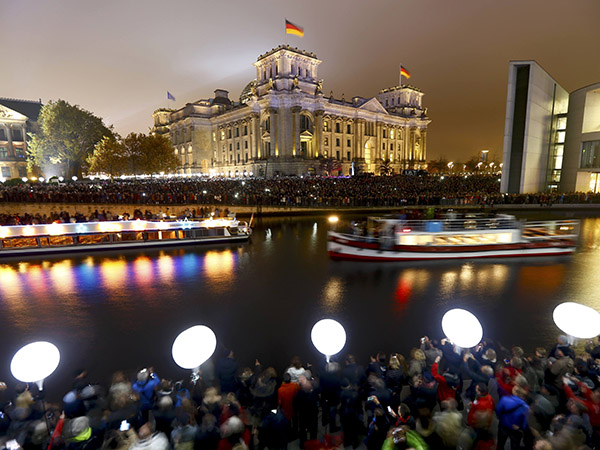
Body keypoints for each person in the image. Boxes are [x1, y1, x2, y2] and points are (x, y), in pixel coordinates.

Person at [496, 385, 531, 450]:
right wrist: (520, 427)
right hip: (515, 430)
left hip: (503, 425)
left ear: (514, 392)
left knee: (500, 444)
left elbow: (498, 411)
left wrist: (501, 419)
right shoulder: (526, 408)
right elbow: (525, 423)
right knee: (515, 446)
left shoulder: (504, 399)